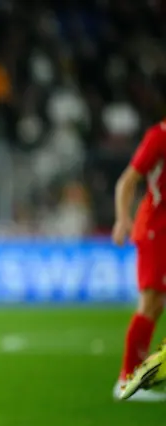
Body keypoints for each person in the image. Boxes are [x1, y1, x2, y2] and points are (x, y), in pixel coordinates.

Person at [111, 119, 166, 401]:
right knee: (151, 302)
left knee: (156, 305)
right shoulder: (159, 136)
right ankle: (127, 380)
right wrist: (122, 219)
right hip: (156, 229)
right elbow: (127, 181)